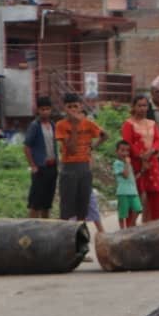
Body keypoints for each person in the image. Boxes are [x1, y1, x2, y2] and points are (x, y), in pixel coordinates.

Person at [54, 92, 105, 222]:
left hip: (84, 168)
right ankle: (65, 236)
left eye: (75, 106)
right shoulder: (61, 125)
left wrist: (92, 147)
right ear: (64, 108)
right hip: (69, 168)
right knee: (67, 208)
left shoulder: (88, 123)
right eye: (69, 107)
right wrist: (75, 126)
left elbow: (104, 135)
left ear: (80, 107)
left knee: (83, 207)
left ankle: (80, 235)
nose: (73, 110)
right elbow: (71, 149)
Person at [123, 94, 159, 221]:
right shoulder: (128, 124)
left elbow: (158, 140)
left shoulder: (152, 123)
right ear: (134, 107)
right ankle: (131, 225)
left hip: (152, 162)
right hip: (136, 163)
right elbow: (127, 143)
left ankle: (156, 223)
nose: (142, 108)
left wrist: (151, 151)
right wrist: (141, 156)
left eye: (145, 105)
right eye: (139, 105)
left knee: (155, 193)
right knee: (134, 193)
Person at [23, 96, 59, 218]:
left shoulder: (53, 125)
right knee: (36, 202)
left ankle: (45, 229)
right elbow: (27, 147)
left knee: (47, 202)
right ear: (38, 110)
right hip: (40, 168)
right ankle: (31, 229)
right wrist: (32, 165)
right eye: (42, 109)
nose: (45, 112)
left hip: (52, 167)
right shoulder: (35, 126)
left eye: (48, 109)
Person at [113, 139, 142, 228]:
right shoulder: (117, 163)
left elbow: (132, 178)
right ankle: (122, 230)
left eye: (127, 151)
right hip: (123, 192)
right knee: (123, 214)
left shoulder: (128, 164)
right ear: (116, 151)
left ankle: (131, 224)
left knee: (138, 209)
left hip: (133, 191)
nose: (125, 153)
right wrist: (126, 163)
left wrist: (143, 170)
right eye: (122, 150)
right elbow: (125, 175)